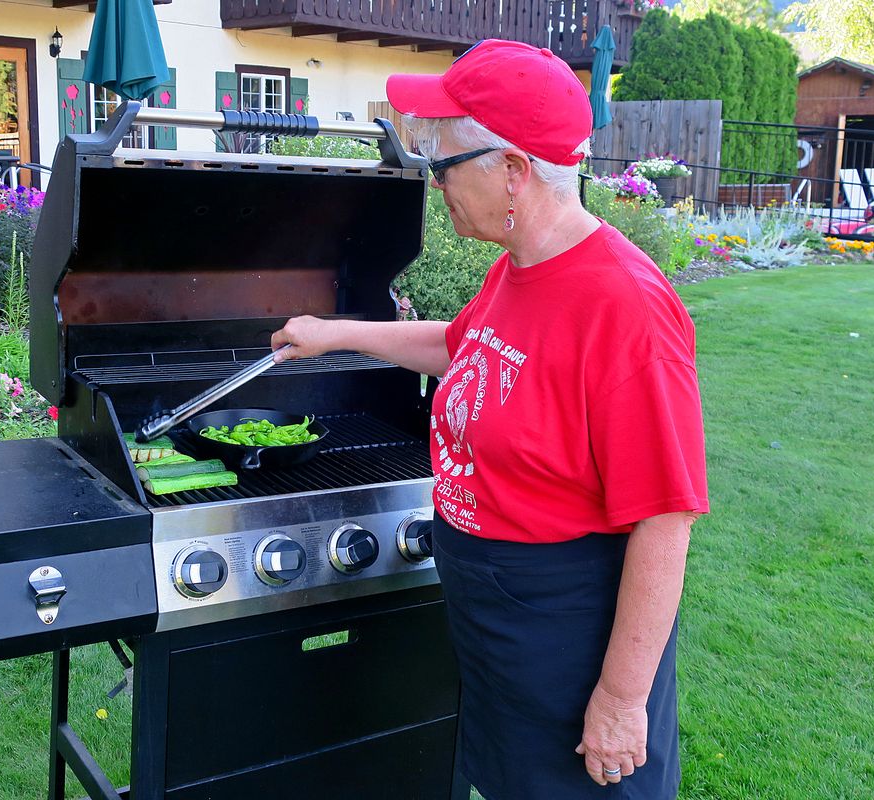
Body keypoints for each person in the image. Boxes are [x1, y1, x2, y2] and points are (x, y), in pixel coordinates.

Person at [270, 39, 709, 799]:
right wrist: (335, 333)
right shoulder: (520, 268)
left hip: (567, 632)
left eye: (443, 165)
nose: (434, 183)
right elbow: (462, 346)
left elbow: (665, 521)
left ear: (512, 171)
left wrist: (620, 699)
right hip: (498, 619)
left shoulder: (625, 309)